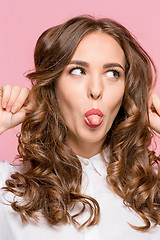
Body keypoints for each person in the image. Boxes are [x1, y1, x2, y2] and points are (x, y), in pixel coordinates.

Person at [0, 15, 160, 240]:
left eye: (112, 73)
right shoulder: (7, 189)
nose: (96, 89)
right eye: (78, 71)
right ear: (52, 85)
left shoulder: (152, 191)